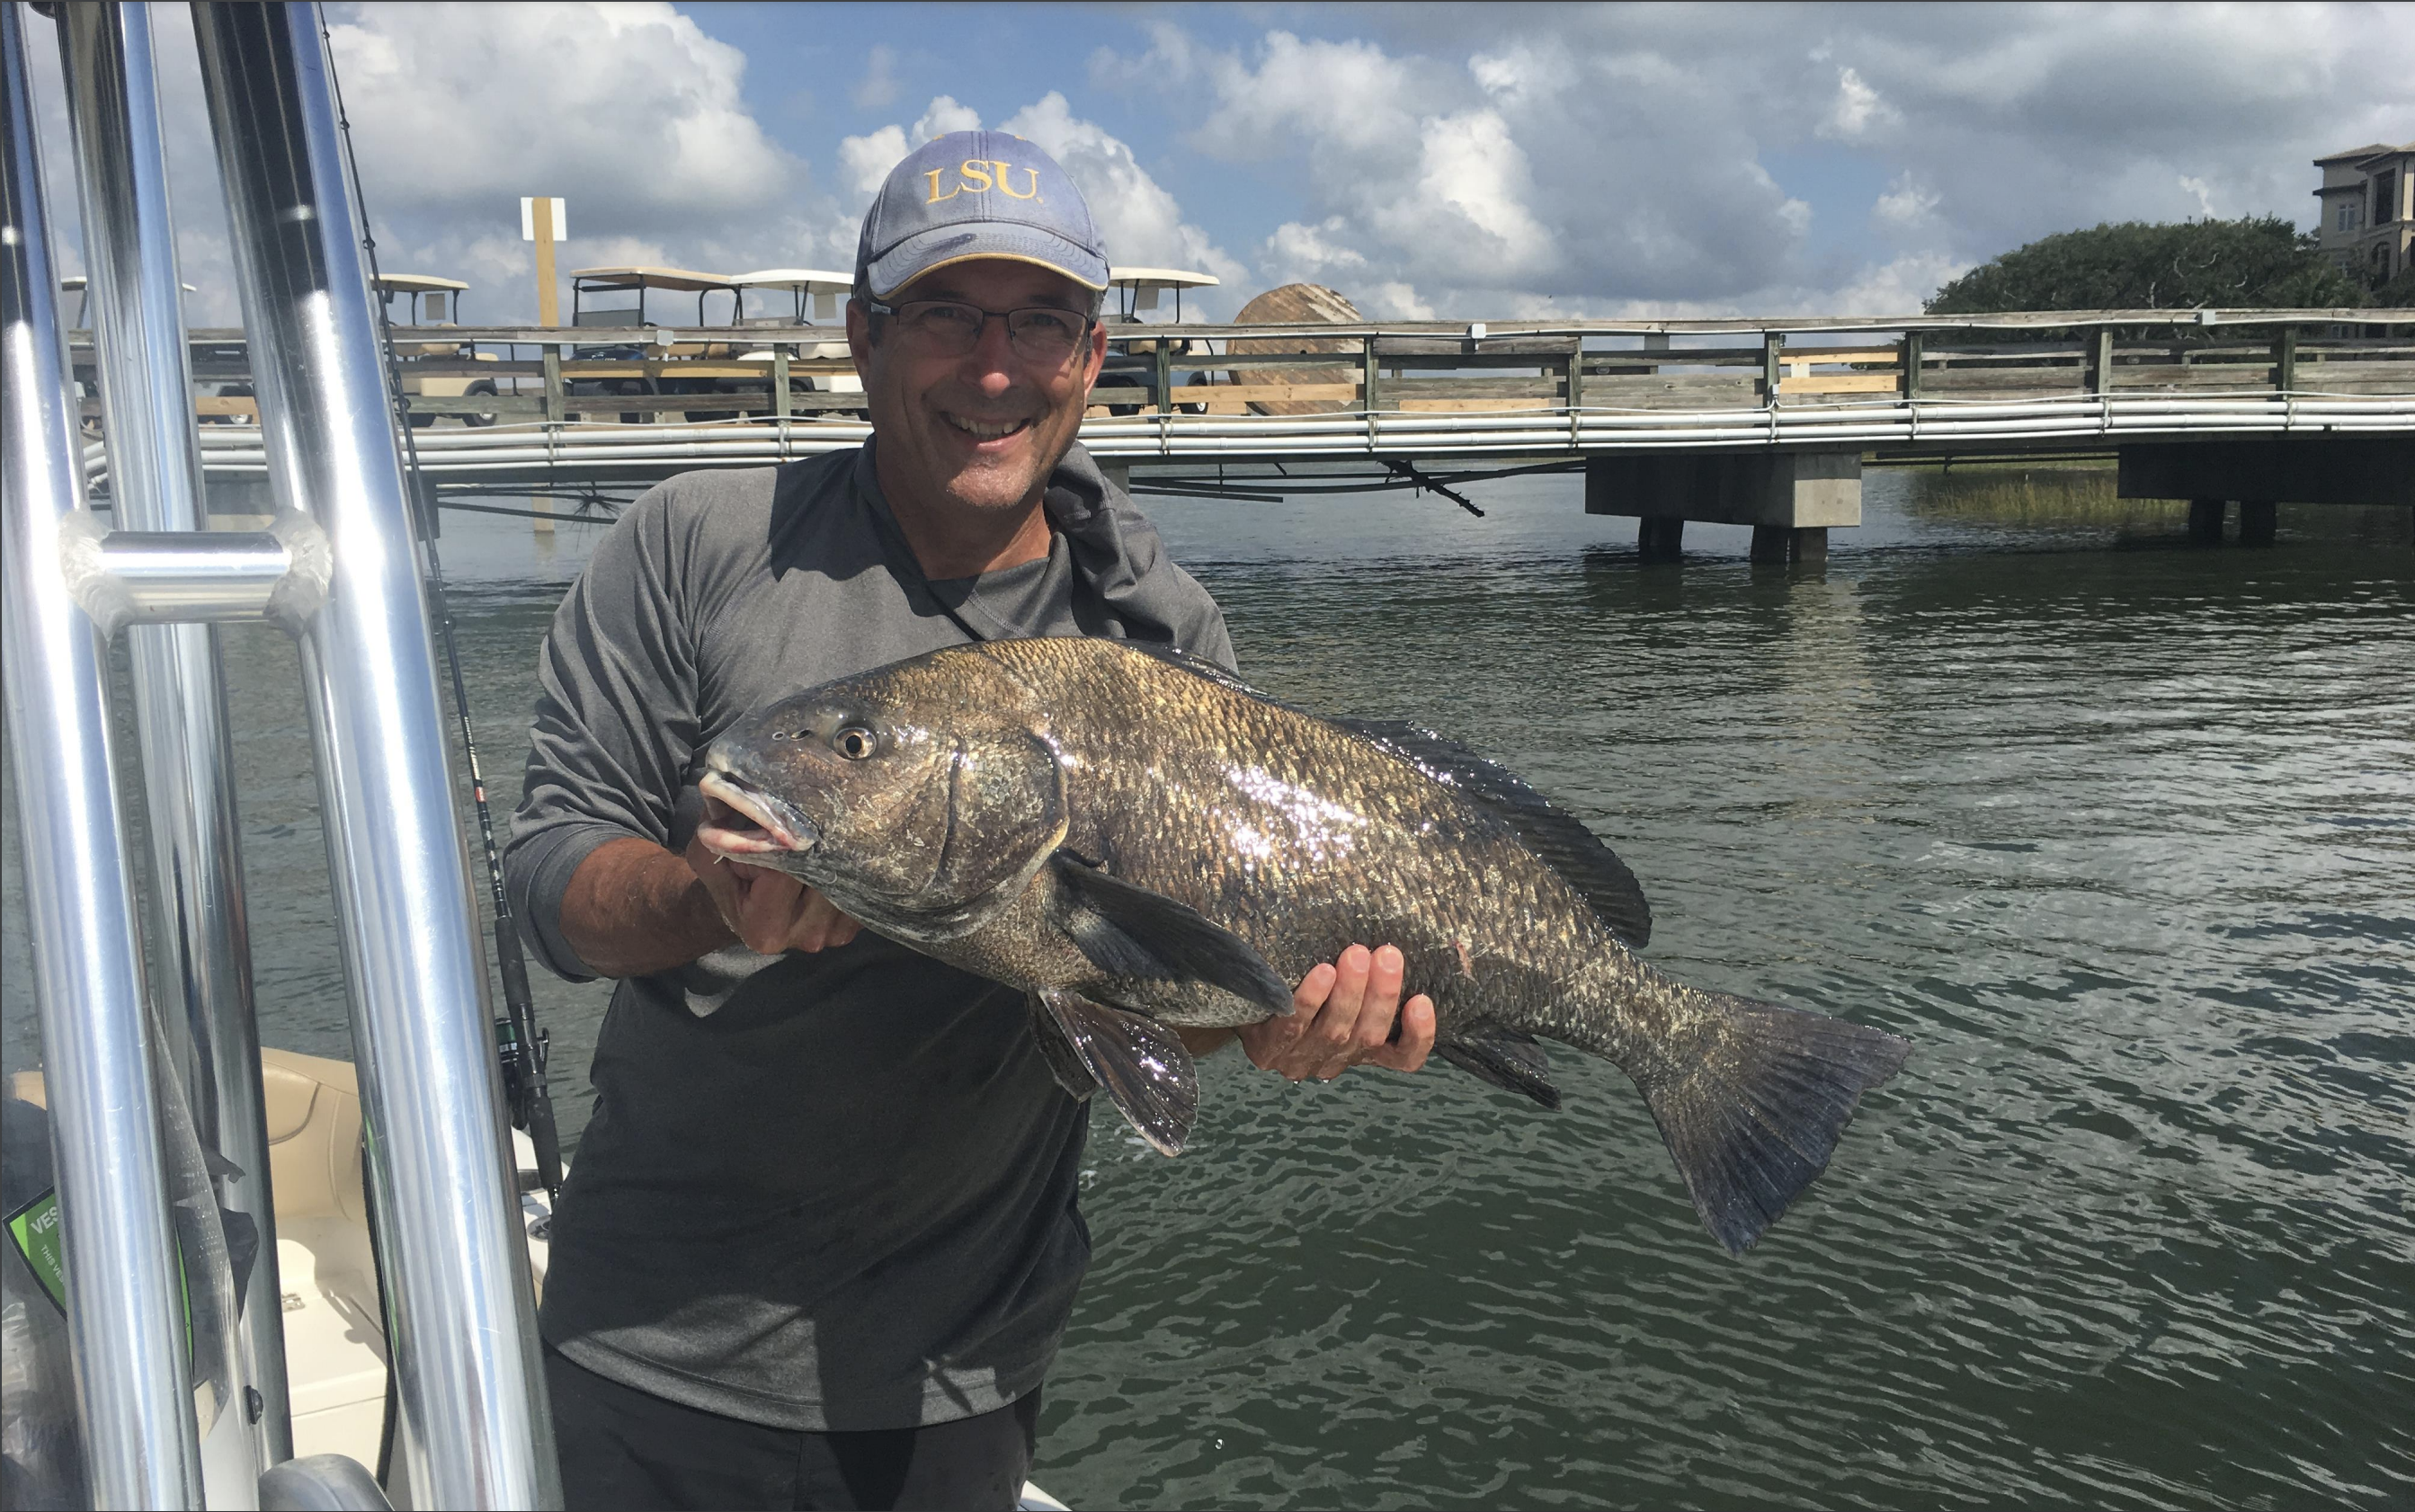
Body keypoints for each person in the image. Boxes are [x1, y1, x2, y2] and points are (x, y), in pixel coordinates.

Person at [503, 130, 1436, 1512]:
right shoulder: (697, 542)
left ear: (1092, 351)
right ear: (863, 337)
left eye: (1038, 320)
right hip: (648, 1337)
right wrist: (703, 899)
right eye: (944, 313)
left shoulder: (1152, 632)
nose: (992, 367)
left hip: (957, 1368)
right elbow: (543, 870)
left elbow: (1158, 989)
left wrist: (1272, 1025)